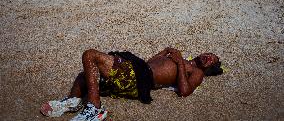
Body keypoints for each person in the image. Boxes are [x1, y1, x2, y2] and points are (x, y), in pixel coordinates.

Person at [40, 48, 223, 121]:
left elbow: (184, 90)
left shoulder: (197, 73)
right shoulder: (183, 59)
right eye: (209, 54)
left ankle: (94, 107)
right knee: (86, 75)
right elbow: (149, 62)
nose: (208, 57)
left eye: (211, 60)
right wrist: (164, 53)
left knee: (90, 56)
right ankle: (74, 101)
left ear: (210, 68)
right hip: (139, 71)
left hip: (139, 80)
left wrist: (180, 63)